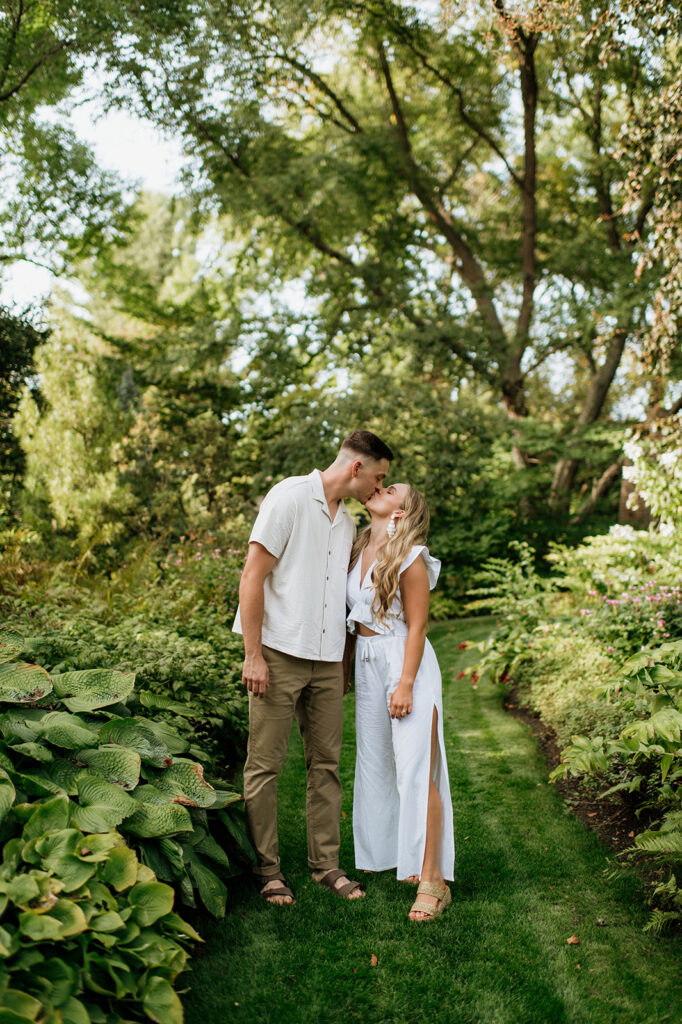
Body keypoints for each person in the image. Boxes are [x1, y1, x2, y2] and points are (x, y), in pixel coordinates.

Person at [233, 430, 394, 905]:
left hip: (326, 664)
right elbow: (252, 575)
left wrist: (342, 662)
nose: (379, 489)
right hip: (278, 654)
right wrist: (253, 654)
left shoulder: (346, 522)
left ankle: (326, 866)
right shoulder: (288, 498)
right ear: (356, 468)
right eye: (379, 477)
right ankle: (268, 871)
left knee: (326, 766)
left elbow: (343, 597)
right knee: (265, 765)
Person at [346, 482, 455, 921]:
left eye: (391, 489)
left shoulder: (410, 556)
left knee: (415, 770)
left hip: (404, 663)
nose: (379, 488)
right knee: (377, 767)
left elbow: (418, 625)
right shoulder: (356, 551)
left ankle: (433, 882)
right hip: (368, 664)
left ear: (404, 510)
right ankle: (406, 859)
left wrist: (406, 683)